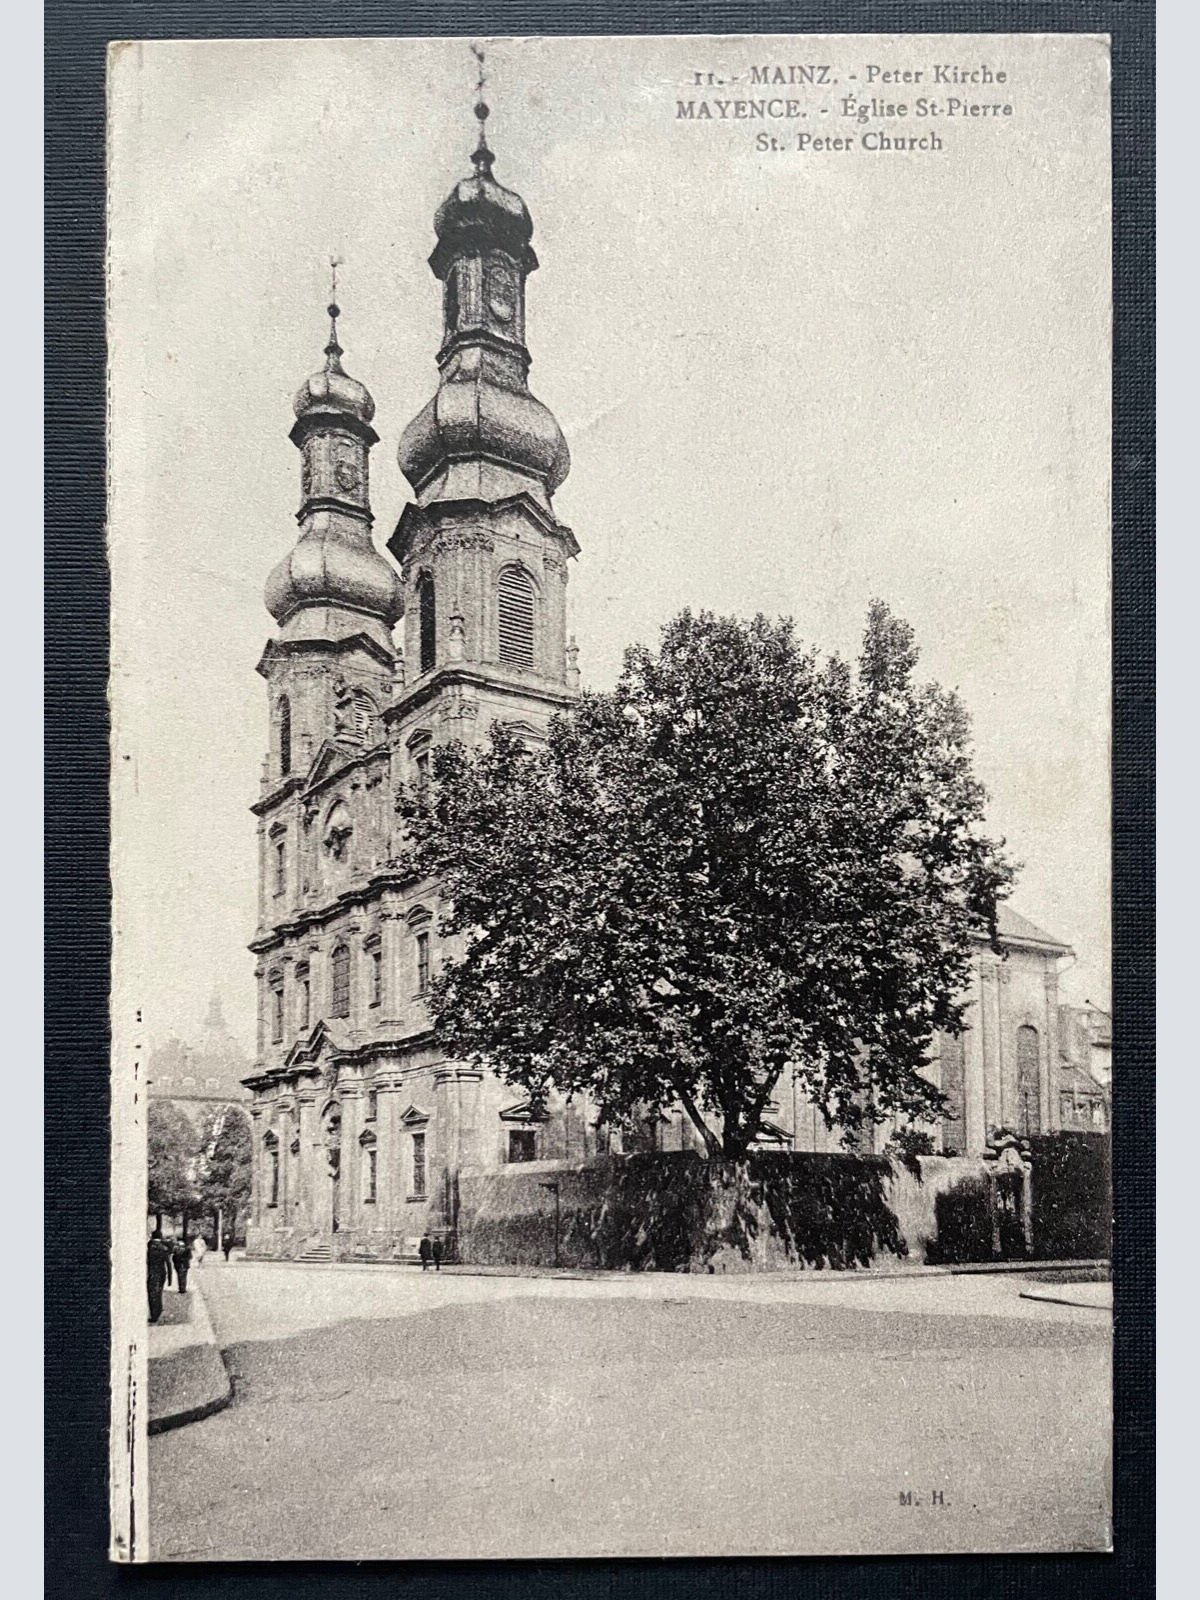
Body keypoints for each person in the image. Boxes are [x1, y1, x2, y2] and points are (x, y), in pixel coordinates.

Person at [146, 1229, 170, 1323]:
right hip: (162, 1273)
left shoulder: (151, 1246)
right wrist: (170, 1278)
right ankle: (158, 1311)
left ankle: (154, 1316)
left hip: (153, 1273)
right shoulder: (164, 1248)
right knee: (158, 1293)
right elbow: (168, 1263)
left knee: (152, 1294)